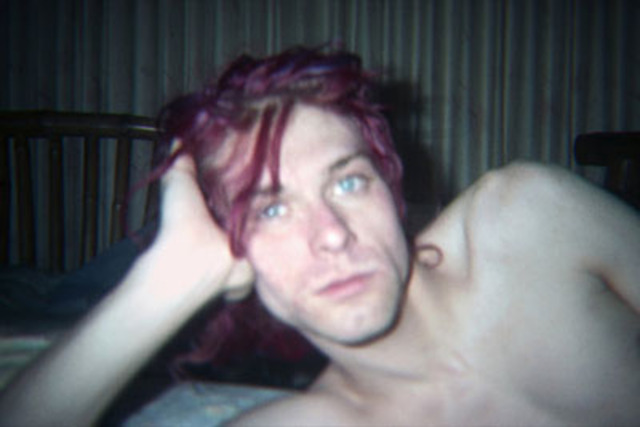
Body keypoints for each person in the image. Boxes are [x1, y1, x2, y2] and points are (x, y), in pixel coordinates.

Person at [1, 47, 639, 426]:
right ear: (230, 253)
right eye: (272, 210)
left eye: (349, 183)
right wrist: (166, 280)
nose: (331, 236)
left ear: (392, 191)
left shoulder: (531, 220)